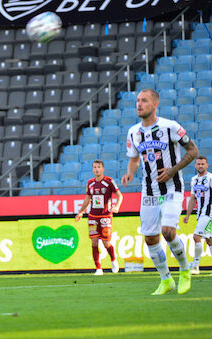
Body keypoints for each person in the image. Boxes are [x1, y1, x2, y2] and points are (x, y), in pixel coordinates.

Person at [121, 89, 199, 295]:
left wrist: (173, 169)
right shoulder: (133, 132)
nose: (139, 104)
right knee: (150, 239)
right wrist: (130, 173)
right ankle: (166, 280)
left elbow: (193, 151)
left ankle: (184, 271)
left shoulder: (170, 127)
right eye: (137, 100)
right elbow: (134, 158)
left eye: (144, 101)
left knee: (167, 231)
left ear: (155, 104)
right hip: (149, 193)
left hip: (172, 188)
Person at [75, 159, 123, 276]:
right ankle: (98, 268)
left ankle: (113, 259)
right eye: (94, 167)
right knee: (94, 242)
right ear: (92, 169)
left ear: (103, 169)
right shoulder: (90, 183)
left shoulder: (109, 181)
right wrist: (81, 212)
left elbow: (119, 195)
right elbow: (87, 199)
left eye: (99, 167)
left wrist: (117, 206)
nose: (96, 169)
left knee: (106, 243)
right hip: (93, 216)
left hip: (105, 215)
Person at [183, 155, 212, 275]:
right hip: (200, 213)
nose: (200, 166)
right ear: (195, 166)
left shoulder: (210, 178)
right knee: (209, 240)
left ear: (207, 165)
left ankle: (195, 266)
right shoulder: (194, 179)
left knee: (196, 237)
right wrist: (188, 215)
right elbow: (193, 198)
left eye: (202, 164)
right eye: (198, 164)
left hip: (209, 213)